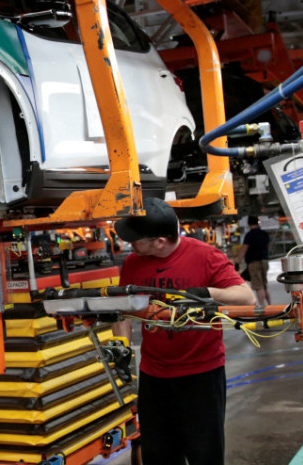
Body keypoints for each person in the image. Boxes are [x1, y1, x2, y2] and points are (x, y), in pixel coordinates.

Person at [114, 198, 254, 465]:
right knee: (159, 454)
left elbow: (247, 298)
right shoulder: (133, 263)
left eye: (137, 239)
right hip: (155, 375)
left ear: (160, 242)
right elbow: (124, 311)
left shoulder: (205, 256)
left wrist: (208, 293)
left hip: (201, 376)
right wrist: (121, 348)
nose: (130, 244)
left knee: (204, 454)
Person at [236, 216, 272, 308]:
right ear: (257, 222)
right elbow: (269, 247)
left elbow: (244, 249)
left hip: (254, 263)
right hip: (264, 261)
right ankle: (270, 306)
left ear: (248, 224)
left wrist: (237, 261)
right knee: (264, 285)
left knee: (258, 286)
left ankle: (262, 307)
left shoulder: (249, 235)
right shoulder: (264, 234)